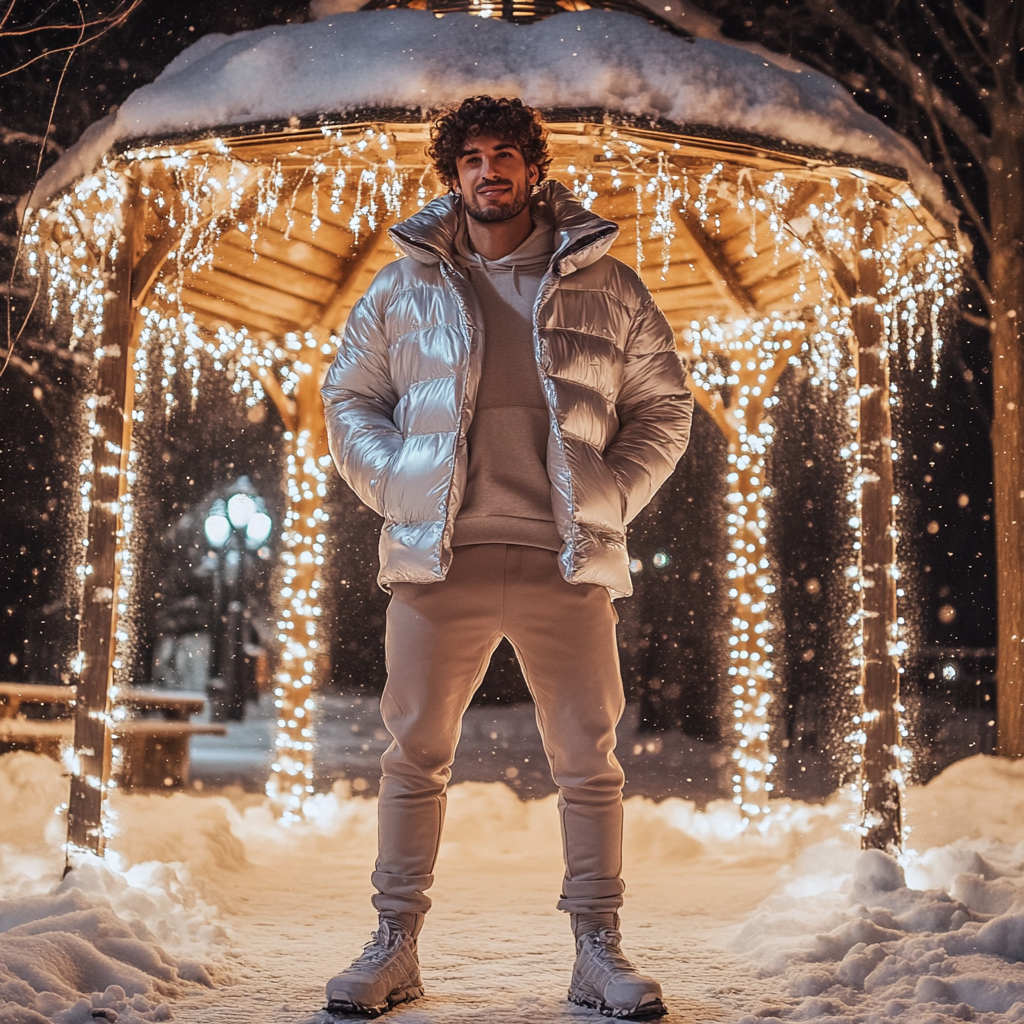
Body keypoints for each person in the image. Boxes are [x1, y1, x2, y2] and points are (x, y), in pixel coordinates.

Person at [320, 95, 692, 1020]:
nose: (491, 171)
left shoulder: (608, 285)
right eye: (474, 157)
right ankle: (394, 943)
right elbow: (347, 398)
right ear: (453, 173)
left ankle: (598, 952)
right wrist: (404, 479)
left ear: (534, 168)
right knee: (413, 756)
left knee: (590, 762)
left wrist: (607, 493)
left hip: (565, 564)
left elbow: (665, 407)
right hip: (438, 560)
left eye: (507, 155)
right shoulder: (403, 286)